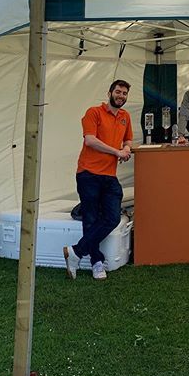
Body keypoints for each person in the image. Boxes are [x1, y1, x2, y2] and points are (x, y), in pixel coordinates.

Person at [64, 79, 133, 281]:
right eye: (118, 92)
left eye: (124, 94)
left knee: (112, 217)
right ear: (110, 93)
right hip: (88, 174)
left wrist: (126, 149)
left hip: (109, 176)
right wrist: (117, 152)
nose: (121, 96)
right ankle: (96, 263)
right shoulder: (93, 112)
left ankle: (76, 252)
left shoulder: (125, 116)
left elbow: (128, 140)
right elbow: (90, 140)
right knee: (91, 218)